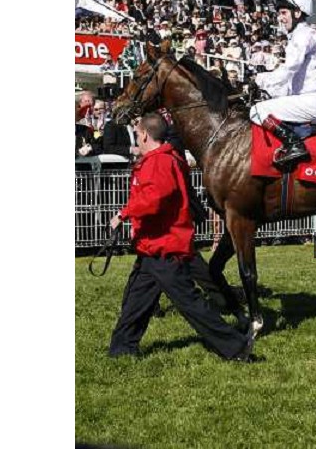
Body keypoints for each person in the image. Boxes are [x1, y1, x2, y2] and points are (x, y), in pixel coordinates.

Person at [108, 113, 254, 361]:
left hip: (164, 247)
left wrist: (124, 214)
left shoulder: (160, 162)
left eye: (137, 132)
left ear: (144, 134)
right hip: (153, 247)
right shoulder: (163, 158)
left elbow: (156, 199)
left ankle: (236, 347)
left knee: (191, 304)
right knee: (136, 301)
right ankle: (122, 348)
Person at [249, 0, 316, 167]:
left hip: (315, 100)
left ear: (297, 12)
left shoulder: (303, 35)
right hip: (312, 98)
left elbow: (289, 69)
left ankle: (295, 145)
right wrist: (267, 89)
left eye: (284, 12)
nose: (280, 18)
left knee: (257, 111)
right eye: (279, 13)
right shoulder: (299, 35)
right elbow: (291, 81)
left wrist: (261, 79)